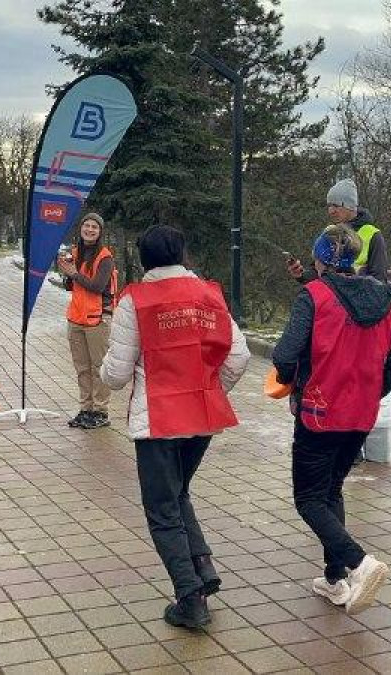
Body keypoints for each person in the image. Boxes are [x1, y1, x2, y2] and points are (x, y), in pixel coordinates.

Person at [101, 225, 250, 629]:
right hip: (201, 418)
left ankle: (190, 598)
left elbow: (116, 375)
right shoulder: (209, 294)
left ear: (144, 258)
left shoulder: (135, 300)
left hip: (158, 421)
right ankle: (202, 567)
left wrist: (105, 369)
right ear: (182, 254)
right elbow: (239, 357)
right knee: (179, 492)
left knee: (162, 508)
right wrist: (211, 389)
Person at [272, 224, 391, 615]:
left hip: (319, 411)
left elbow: (285, 355)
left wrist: (292, 382)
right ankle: (334, 580)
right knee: (331, 491)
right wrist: (371, 391)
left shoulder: (314, 295)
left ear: (319, 259)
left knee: (309, 499)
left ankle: (360, 564)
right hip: (360, 416)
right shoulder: (386, 301)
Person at [58, 213, 117, 429]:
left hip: (98, 319)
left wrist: (74, 274)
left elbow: (97, 286)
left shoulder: (105, 257)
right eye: (87, 225)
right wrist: (67, 274)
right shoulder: (75, 253)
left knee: (98, 368)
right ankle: (86, 409)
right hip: (76, 318)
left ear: (100, 232)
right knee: (82, 368)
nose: (90, 230)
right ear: (81, 228)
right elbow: (70, 286)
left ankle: (100, 411)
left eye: (94, 227)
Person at [288, 178, 389, 283]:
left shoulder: (373, 235)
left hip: (358, 293)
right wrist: (301, 275)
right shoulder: (330, 233)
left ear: (350, 206)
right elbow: (318, 272)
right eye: (329, 206)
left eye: (336, 206)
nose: (331, 211)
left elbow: (379, 281)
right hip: (330, 293)